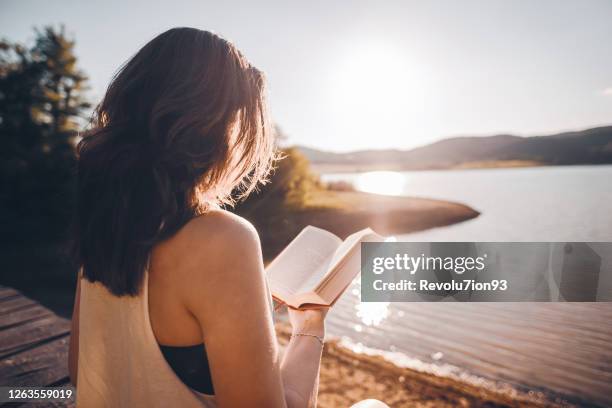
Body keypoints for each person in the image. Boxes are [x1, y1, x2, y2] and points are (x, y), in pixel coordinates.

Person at [68, 27, 387, 408]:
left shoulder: (109, 224)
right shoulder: (220, 239)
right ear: (221, 126)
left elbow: (79, 366)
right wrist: (310, 326)